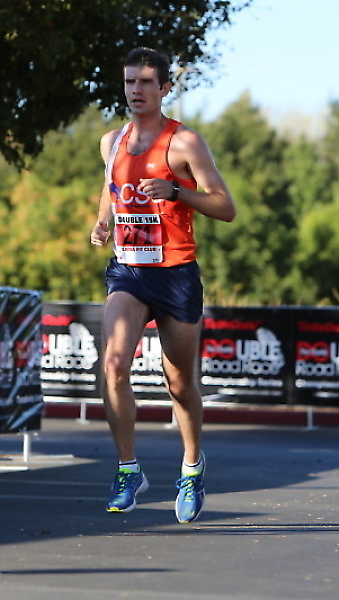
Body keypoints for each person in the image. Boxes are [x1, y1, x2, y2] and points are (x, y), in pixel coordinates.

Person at [90, 47, 236, 523]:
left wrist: (176, 191)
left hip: (175, 274)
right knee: (113, 363)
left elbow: (225, 206)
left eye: (146, 82)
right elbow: (111, 189)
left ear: (164, 88)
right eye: (129, 81)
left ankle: (191, 468)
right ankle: (128, 470)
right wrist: (103, 222)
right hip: (129, 271)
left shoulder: (185, 142)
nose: (136, 90)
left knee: (179, 384)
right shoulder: (111, 142)